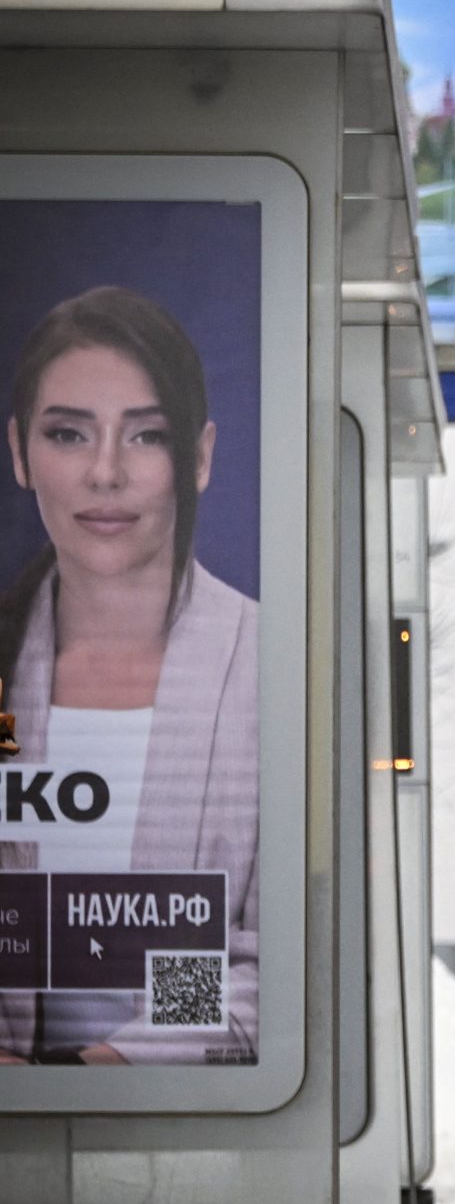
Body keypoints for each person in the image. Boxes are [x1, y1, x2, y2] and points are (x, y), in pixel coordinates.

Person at [0, 287, 258, 1067]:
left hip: (190, 1146)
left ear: (200, 456)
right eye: (70, 434)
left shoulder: (263, 665)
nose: (105, 474)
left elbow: (282, 959)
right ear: (19, 453)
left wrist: (114, 1065)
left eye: (146, 436)